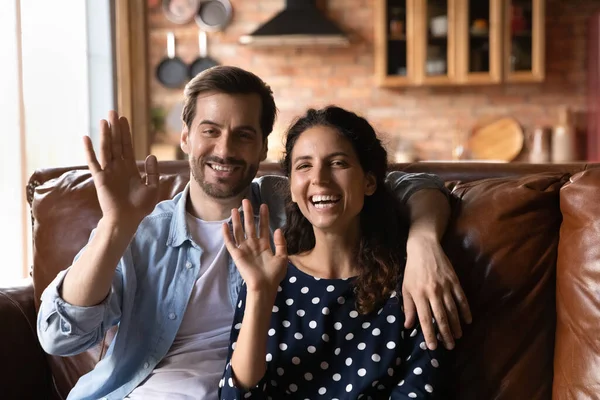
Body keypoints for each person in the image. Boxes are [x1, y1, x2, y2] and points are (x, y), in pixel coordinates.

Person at [36, 66, 469, 400]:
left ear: (263, 147)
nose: (224, 149)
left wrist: (424, 244)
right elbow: (60, 337)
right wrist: (114, 226)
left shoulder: (291, 201)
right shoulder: (140, 227)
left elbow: (412, 185)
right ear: (186, 137)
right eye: (210, 131)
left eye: (243, 135)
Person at [219, 106, 449, 399]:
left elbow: (421, 391)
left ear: (369, 181)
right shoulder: (269, 277)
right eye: (304, 166)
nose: (320, 178)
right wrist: (259, 294)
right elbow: (235, 395)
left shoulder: (413, 281)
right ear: (291, 187)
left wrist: (425, 241)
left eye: (338, 163)